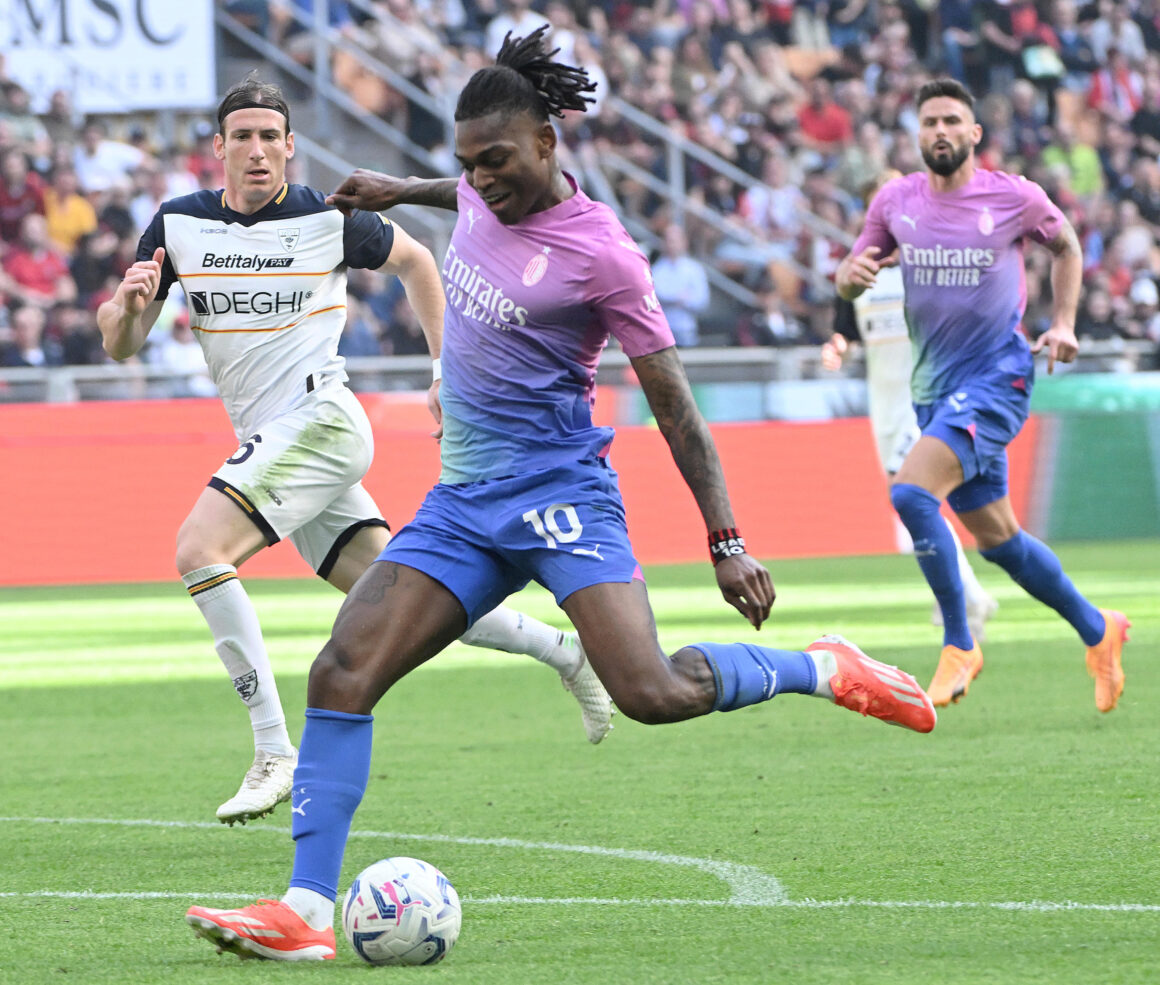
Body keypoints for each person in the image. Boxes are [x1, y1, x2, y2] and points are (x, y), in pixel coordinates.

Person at [184, 29, 937, 963]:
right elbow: (460, 190)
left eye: (495, 160)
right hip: (465, 504)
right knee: (341, 670)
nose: (479, 180)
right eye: (467, 163)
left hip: (560, 496)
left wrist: (727, 539)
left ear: (547, 142)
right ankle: (304, 908)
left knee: (651, 691)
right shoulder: (480, 185)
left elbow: (677, 409)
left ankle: (822, 667)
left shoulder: (604, 255)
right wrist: (397, 189)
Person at [97, 76, 613, 829]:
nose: (257, 150)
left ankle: (273, 750)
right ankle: (564, 650)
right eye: (242, 137)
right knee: (402, 597)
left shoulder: (325, 216)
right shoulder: (178, 224)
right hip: (273, 445)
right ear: (218, 147)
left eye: (269, 137)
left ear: (289, 146)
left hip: (321, 422)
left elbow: (419, 262)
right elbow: (121, 344)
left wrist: (443, 372)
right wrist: (127, 306)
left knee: (199, 550)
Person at [834, 78, 1129, 712]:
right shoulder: (894, 202)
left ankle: (959, 642)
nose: (939, 131)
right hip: (934, 391)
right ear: (918, 135)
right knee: (1000, 542)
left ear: (974, 133)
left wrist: (1064, 322)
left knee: (911, 494)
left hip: (998, 378)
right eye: (929, 122)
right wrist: (849, 276)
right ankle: (1099, 629)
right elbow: (850, 277)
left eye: (951, 121)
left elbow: (1067, 245)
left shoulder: (1013, 195)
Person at [823, 170, 998, 641]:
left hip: (926, 397)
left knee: (914, 497)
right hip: (884, 404)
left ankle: (963, 598)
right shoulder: (858, 270)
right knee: (913, 502)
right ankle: (963, 592)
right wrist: (837, 347)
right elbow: (846, 331)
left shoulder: (932, 260)